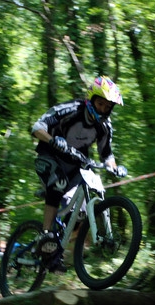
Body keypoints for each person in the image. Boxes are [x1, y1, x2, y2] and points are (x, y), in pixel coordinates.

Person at [32, 76, 126, 273]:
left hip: (76, 164)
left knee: (81, 209)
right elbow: (37, 127)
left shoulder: (104, 126)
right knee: (58, 182)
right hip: (48, 156)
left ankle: (56, 252)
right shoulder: (70, 110)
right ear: (91, 100)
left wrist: (115, 167)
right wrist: (53, 140)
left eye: (107, 106)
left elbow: (106, 153)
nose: (103, 109)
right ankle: (46, 233)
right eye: (100, 104)